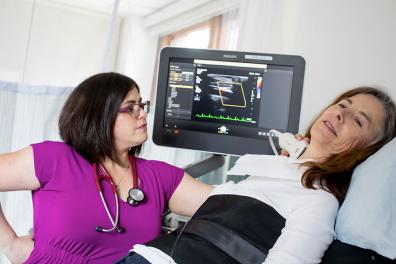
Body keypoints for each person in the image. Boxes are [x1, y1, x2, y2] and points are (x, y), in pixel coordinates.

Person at [117, 87, 396, 264]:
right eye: (343, 104)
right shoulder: (275, 169)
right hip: (145, 255)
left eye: (358, 120)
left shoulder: (318, 200)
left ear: (367, 150)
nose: (340, 115)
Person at [0, 72, 212, 264]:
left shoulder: (159, 176)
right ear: (99, 115)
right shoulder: (54, 159)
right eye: (130, 108)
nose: (143, 114)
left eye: (141, 105)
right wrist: (11, 244)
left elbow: (227, 204)